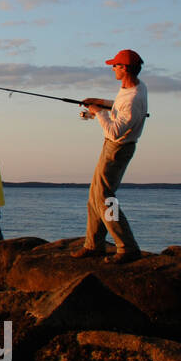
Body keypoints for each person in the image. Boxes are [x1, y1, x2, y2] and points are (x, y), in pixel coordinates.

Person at [71, 49, 149, 264]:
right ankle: (93, 244)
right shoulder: (134, 86)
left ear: (124, 68)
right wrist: (98, 103)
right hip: (113, 147)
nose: (112, 68)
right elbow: (119, 108)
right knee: (94, 195)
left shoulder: (133, 98)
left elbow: (113, 131)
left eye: (115, 65)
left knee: (105, 198)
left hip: (118, 148)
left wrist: (99, 112)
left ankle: (127, 247)